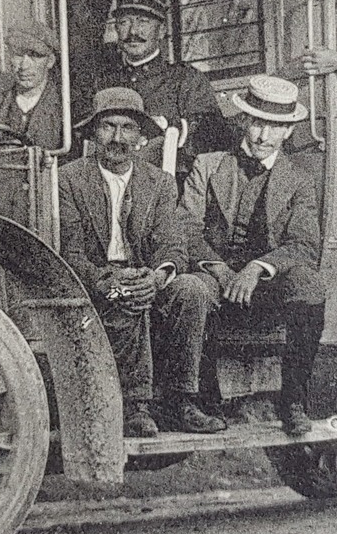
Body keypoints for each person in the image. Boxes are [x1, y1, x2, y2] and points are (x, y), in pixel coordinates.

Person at [58, 87, 224, 438]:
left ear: (140, 136)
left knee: (191, 289)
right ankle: (135, 407)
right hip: (96, 282)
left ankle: (181, 400)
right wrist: (106, 279)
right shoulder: (68, 179)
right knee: (124, 292)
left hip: (145, 277)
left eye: (128, 128)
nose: (118, 138)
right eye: (108, 126)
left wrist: (160, 276)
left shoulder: (160, 183)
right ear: (93, 133)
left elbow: (173, 244)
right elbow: (69, 251)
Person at [180, 76, 326, 437]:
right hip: (215, 279)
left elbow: (303, 244)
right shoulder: (208, 165)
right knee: (193, 289)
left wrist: (257, 268)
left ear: (288, 131)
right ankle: (201, 401)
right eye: (257, 123)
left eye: (274, 127)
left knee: (308, 284)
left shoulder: (299, 180)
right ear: (244, 120)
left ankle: (292, 400)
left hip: (265, 289)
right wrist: (218, 269)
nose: (262, 136)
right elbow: (185, 227)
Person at [92, 0, 233, 175]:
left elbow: (214, 134)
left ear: (162, 31)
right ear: (116, 29)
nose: (133, 31)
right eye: (125, 22)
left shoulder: (186, 80)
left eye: (143, 22)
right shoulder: (103, 83)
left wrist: (172, 131)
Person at [0, 21, 63, 149]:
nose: (24, 66)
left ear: (50, 61)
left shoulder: (65, 107)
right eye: (18, 54)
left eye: (34, 55)